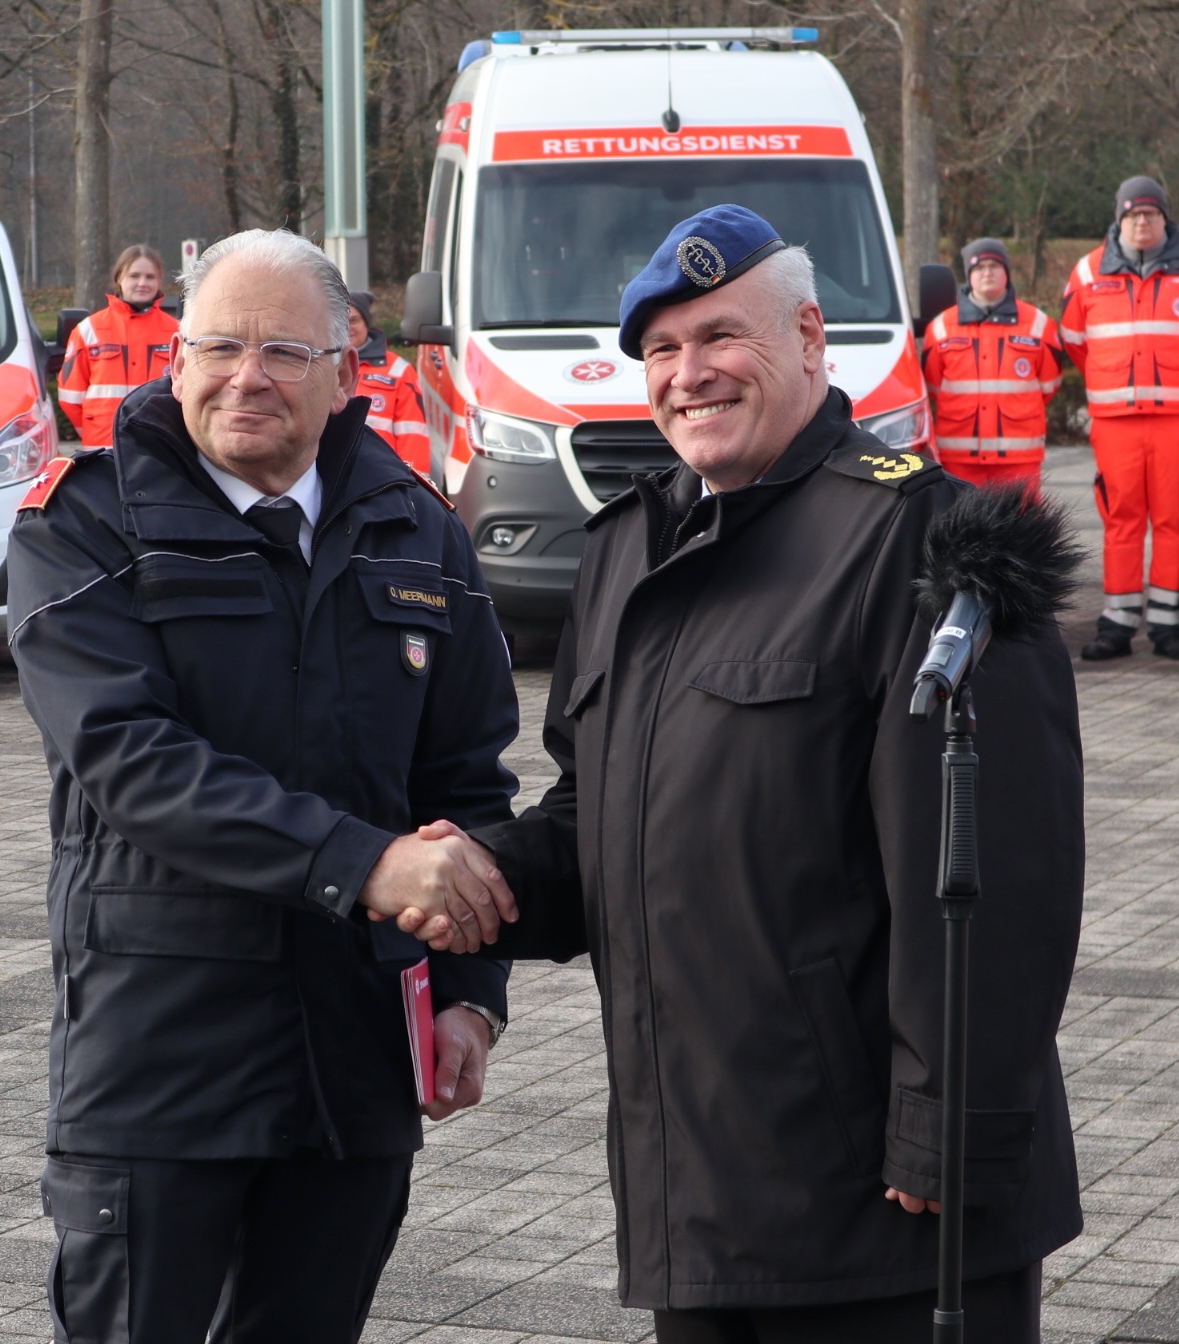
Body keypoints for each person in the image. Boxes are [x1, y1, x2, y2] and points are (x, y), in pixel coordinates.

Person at [441, 206, 1087, 1344]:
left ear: (808, 335)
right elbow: (601, 822)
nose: (689, 375)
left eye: (719, 338)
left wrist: (953, 1135)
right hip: (699, 1195)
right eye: (661, 351)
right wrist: (468, 879)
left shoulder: (926, 545)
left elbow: (1005, 883)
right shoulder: (626, 555)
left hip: (888, 1208)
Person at [7, 228, 521, 1344]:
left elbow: (468, 775)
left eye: (283, 352)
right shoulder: (89, 523)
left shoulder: (419, 530)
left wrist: (473, 989)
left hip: (355, 1066)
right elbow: (134, 764)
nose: (247, 376)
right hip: (160, 1067)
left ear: (346, 370)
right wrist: (369, 863)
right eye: (218, 346)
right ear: (175, 358)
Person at [1058, 175, 1179, 661]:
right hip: (1116, 421)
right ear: (1119, 220)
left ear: (1164, 218)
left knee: (1172, 519)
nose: (1141, 223)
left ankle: (1167, 624)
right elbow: (1074, 340)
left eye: (1150, 215)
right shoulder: (1088, 272)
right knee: (1121, 519)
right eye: (1133, 215)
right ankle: (1117, 623)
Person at [923, 238, 1060, 495]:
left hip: (1019, 460)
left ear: (1006, 272)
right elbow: (933, 386)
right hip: (959, 458)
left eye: (995, 266)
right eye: (979, 267)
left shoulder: (1039, 324)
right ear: (968, 275)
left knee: (1021, 533)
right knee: (963, 532)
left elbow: (1049, 383)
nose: (987, 272)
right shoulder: (940, 327)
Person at [57, 244, 181, 448]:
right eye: (134, 276)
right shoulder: (88, 330)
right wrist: (93, 429)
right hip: (103, 447)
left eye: (150, 277)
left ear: (159, 281)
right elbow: (70, 396)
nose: (142, 283)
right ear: (119, 279)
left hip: (159, 447)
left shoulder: (176, 332)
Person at [345, 290, 431, 477]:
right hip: (332, 480)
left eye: (354, 320)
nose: (347, 327)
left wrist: (414, 489)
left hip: (382, 481)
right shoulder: (323, 365)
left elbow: (413, 436)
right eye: (341, 321)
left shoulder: (399, 371)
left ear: (366, 323)